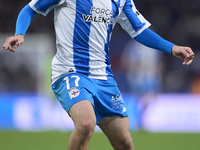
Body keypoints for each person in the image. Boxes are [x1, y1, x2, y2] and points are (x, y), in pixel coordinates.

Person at [3, 0, 194, 149]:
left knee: (125, 143)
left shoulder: (120, 1)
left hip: (104, 78)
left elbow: (139, 30)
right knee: (86, 124)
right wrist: (20, 34)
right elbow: (30, 9)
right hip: (70, 71)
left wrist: (172, 48)